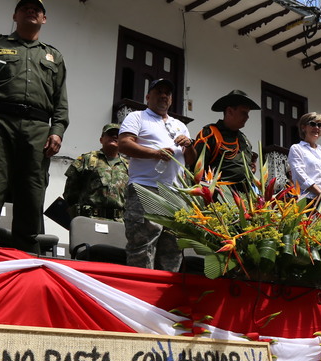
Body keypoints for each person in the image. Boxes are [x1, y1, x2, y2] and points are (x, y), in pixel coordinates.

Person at [0, 0, 68, 253]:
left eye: (36, 9)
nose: (30, 11)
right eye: (24, 8)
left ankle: (24, 254)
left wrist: (56, 131)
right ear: (14, 16)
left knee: (32, 191)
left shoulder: (53, 57)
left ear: (44, 19)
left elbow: (61, 101)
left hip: (38, 129)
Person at [118, 78, 196, 271]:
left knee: (172, 248)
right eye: (158, 91)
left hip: (175, 194)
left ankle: (165, 298)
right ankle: (142, 295)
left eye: (167, 93)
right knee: (143, 246)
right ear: (148, 97)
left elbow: (191, 160)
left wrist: (190, 145)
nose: (163, 96)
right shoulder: (137, 117)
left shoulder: (180, 125)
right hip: (146, 189)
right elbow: (124, 144)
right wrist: (156, 153)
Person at [193, 90, 259, 194]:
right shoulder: (210, 134)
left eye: (248, 113)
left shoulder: (245, 140)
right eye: (244, 113)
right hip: (219, 199)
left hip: (244, 199)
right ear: (229, 111)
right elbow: (195, 171)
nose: (247, 117)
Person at [63, 123, 129, 221]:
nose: (114, 136)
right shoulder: (87, 159)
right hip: (90, 219)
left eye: (118, 135)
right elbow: (70, 192)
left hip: (118, 222)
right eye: (110, 134)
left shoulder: (127, 166)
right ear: (101, 139)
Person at [287, 111, 321, 200]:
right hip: (308, 200)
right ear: (303, 128)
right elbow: (299, 174)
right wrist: (320, 193)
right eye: (313, 124)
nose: (317, 127)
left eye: (320, 125)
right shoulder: (297, 149)